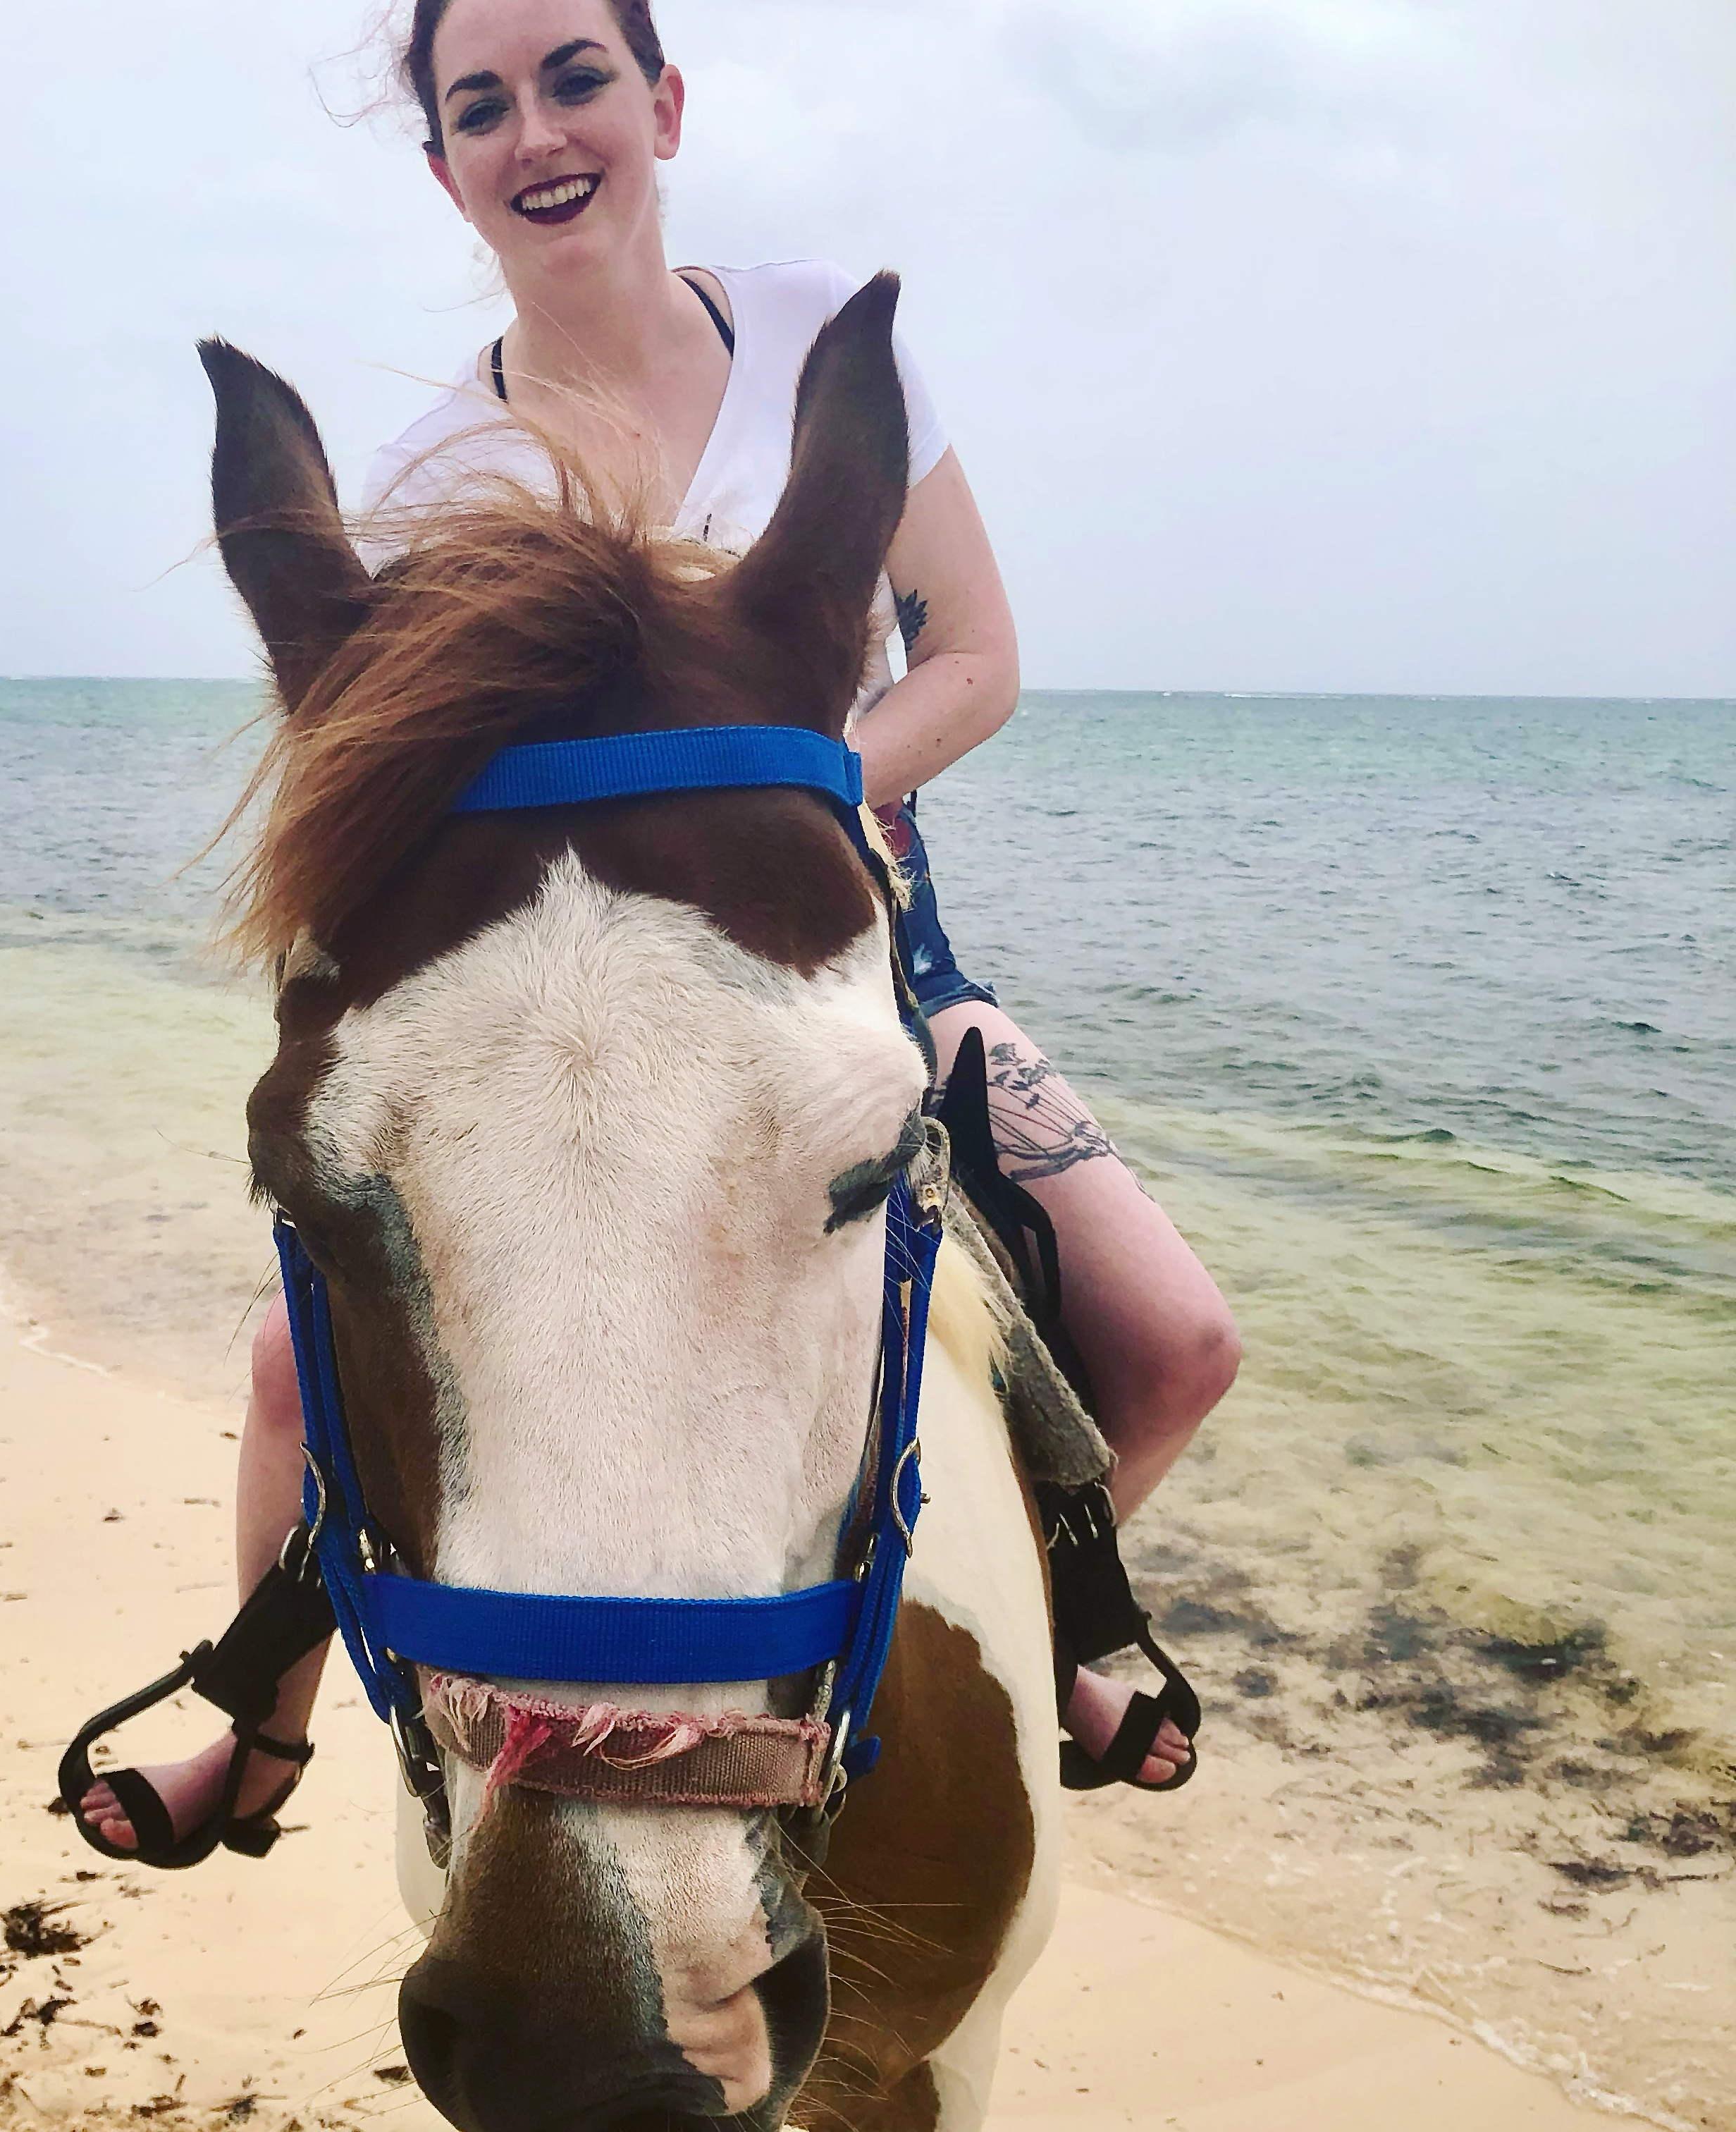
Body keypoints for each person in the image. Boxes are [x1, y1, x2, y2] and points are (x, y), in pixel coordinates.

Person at [80, 0, 1239, 1861]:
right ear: (444, 164)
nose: (537, 127)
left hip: (842, 938)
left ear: (662, 102)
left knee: (1175, 1339)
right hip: (572, 985)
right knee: (301, 1361)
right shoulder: (447, 470)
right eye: (483, 103)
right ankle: (264, 1697)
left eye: (576, 76)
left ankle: (1036, 1618)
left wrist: (808, 793)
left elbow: (979, 657)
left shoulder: (813, 347)